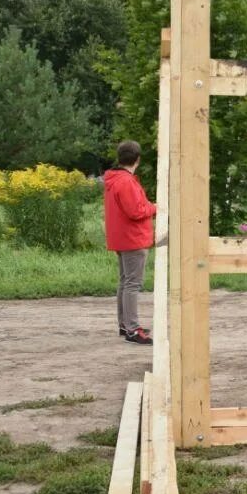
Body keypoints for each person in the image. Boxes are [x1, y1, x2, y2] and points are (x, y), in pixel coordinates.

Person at [103, 140, 158, 345]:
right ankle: (132, 329)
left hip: (121, 237)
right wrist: (155, 208)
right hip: (133, 238)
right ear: (137, 159)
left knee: (125, 282)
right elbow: (136, 211)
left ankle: (125, 324)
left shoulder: (114, 179)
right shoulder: (126, 181)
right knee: (132, 284)